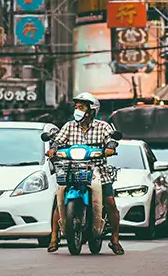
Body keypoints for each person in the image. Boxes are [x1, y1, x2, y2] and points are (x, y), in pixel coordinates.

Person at [46, 92, 123, 255]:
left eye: (81, 107)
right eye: (76, 107)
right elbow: (58, 140)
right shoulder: (69, 126)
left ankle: (115, 240)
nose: (77, 110)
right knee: (58, 199)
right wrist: (53, 149)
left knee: (110, 202)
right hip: (71, 169)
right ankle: (54, 236)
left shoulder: (103, 126)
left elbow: (111, 138)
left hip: (98, 170)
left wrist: (110, 147)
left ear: (91, 110)